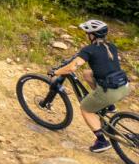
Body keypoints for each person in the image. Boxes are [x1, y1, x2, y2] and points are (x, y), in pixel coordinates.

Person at [51, 19, 130, 153]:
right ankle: (109, 105)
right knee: (88, 73)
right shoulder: (111, 46)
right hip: (124, 86)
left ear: (92, 35)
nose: (86, 35)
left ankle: (101, 141)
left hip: (110, 91)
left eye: (87, 33)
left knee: (85, 109)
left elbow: (72, 68)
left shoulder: (89, 49)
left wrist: (55, 72)